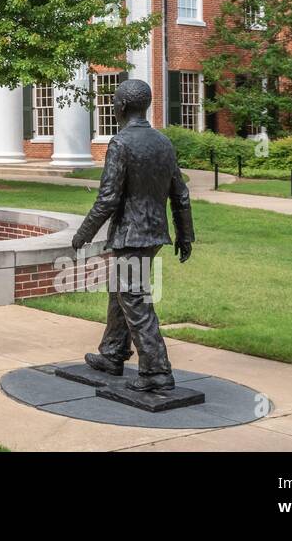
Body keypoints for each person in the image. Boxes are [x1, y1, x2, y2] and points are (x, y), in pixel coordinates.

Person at [70, 78, 194, 392]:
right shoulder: (163, 142)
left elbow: (108, 198)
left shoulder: (121, 142)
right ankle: (112, 353)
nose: (112, 106)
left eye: (113, 101)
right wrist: (185, 234)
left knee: (134, 299)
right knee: (120, 292)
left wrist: (82, 235)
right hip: (153, 234)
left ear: (122, 106)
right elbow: (180, 194)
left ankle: (156, 372)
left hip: (131, 235)